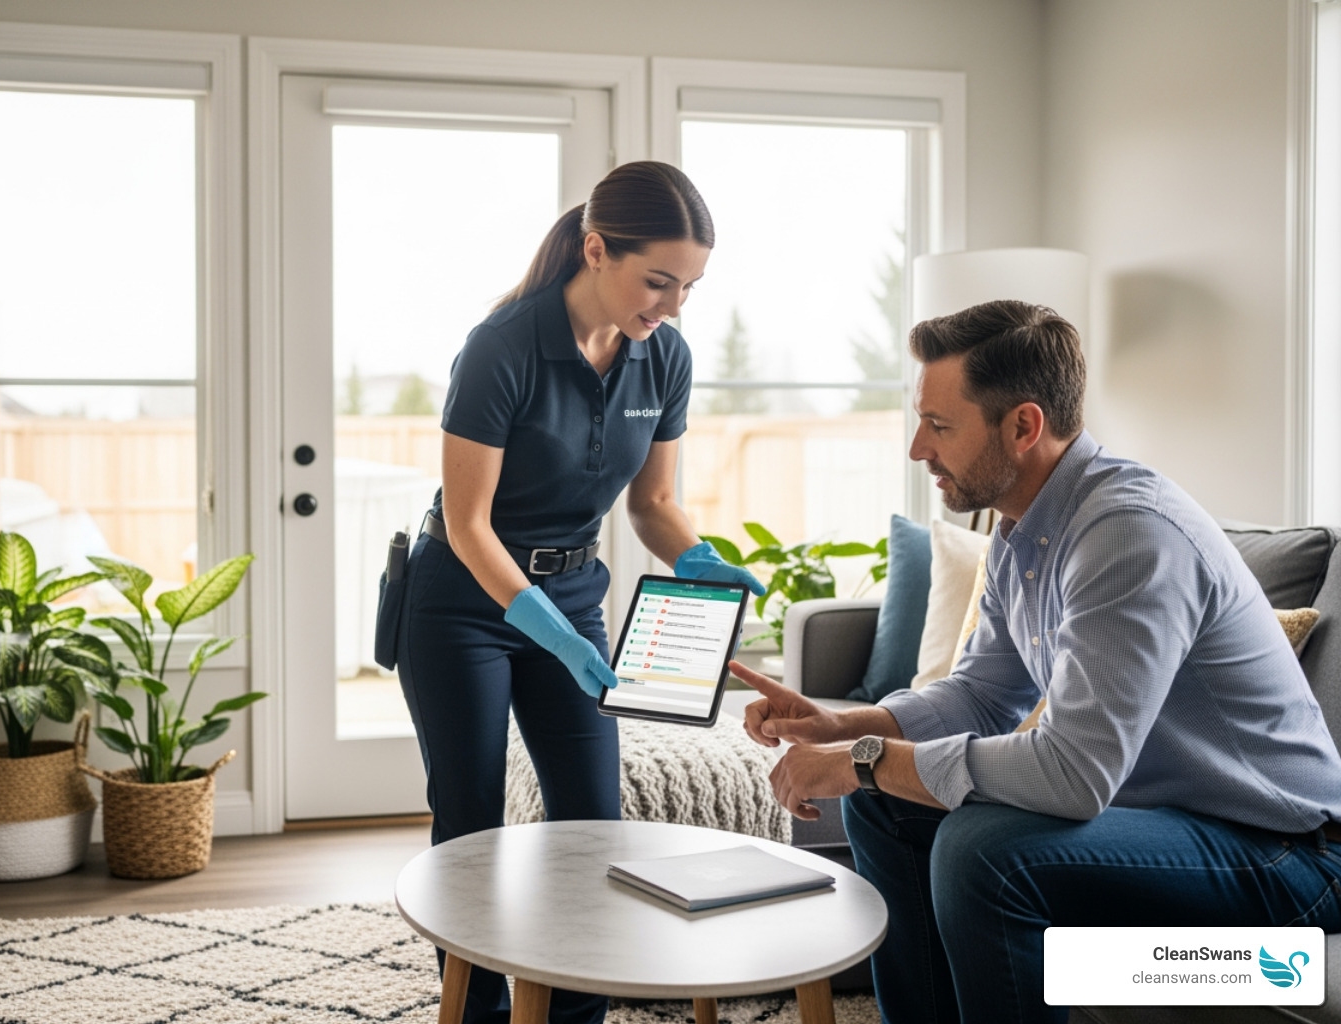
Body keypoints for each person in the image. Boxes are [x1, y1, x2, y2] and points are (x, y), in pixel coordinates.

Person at [731, 299, 1341, 1024]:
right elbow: (985, 694)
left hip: (1284, 857)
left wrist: (868, 758)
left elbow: (1074, 774)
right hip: (1168, 825)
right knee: (885, 804)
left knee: (982, 850)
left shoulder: (1127, 534)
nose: (918, 449)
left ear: (1023, 426)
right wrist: (847, 727)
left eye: (940, 425)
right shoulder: (1022, 530)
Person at [394, 161, 764, 1024]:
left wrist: (698, 559)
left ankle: (574, 1014)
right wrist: (548, 632)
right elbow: (468, 523)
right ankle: (478, 1010)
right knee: (470, 821)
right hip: (461, 604)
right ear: (597, 251)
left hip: (571, 595)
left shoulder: (664, 356)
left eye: (690, 287)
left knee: (595, 822)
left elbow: (653, 504)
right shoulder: (502, 346)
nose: (673, 305)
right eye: (658, 281)